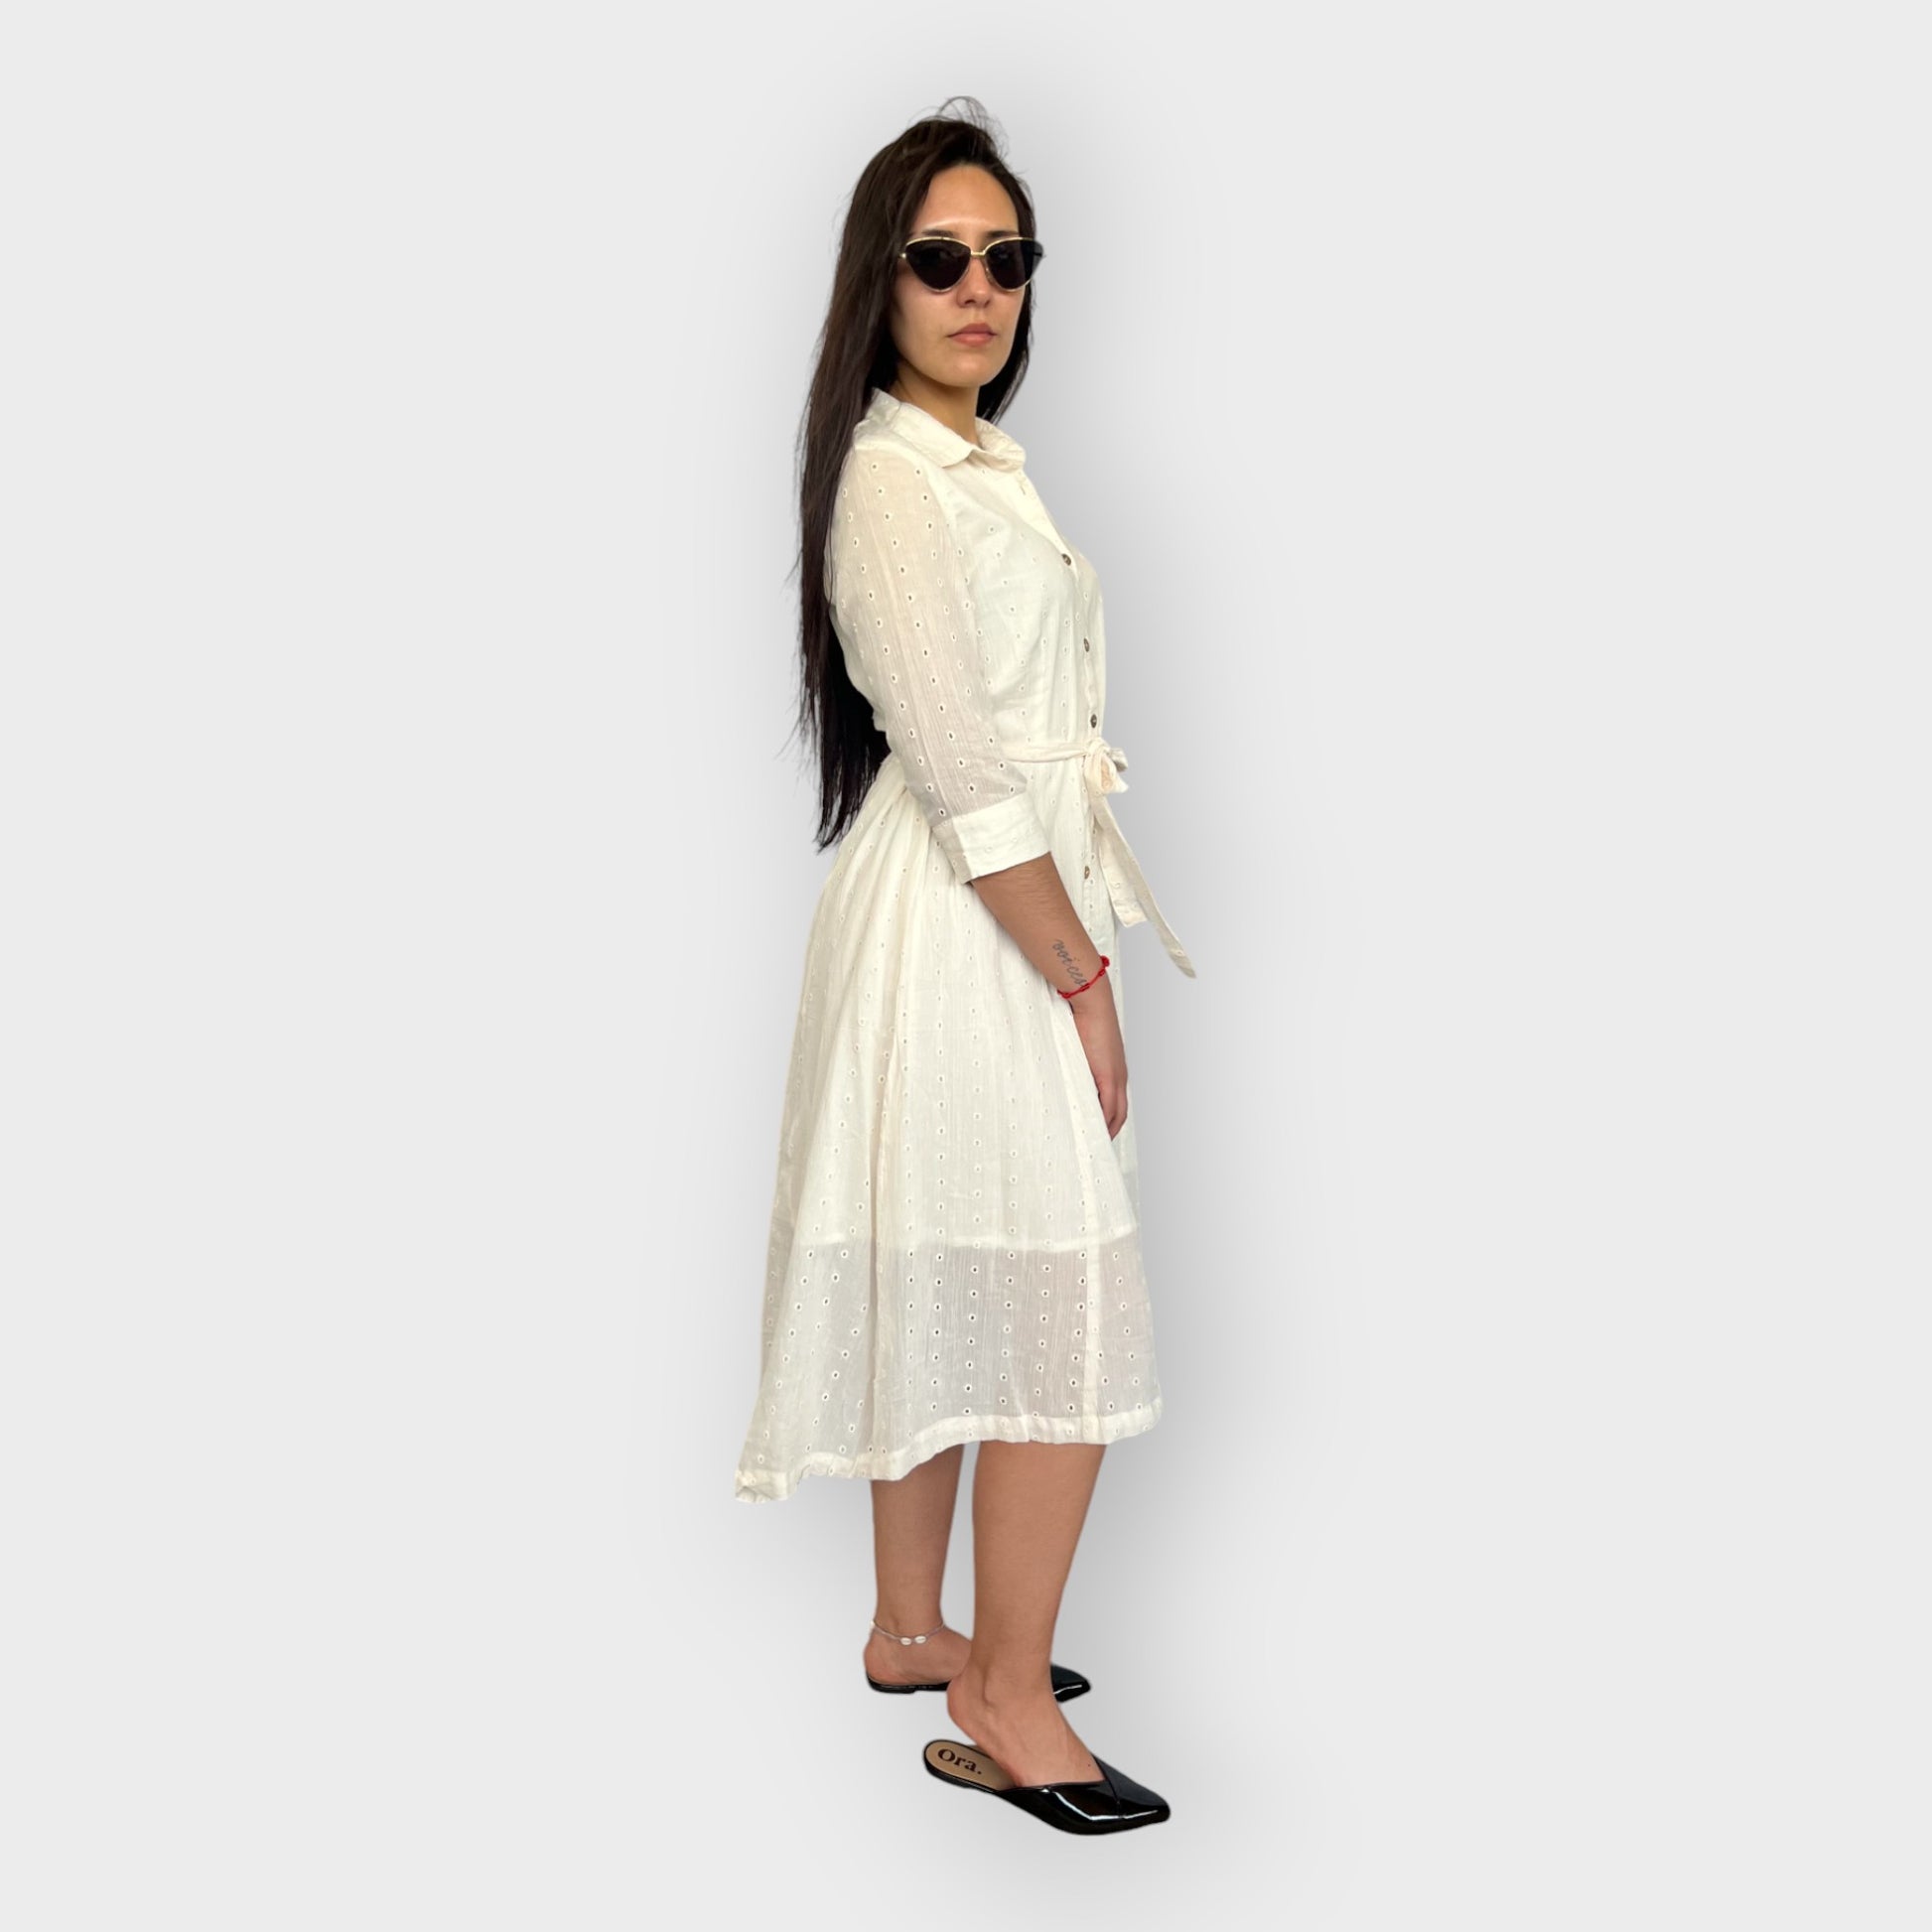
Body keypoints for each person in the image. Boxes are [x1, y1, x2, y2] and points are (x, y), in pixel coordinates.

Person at [731, 100, 1194, 1836]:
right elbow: (963, 767)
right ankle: (1000, 1695)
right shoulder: (889, 479)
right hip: (966, 919)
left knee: (950, 1254)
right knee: (1054, 1295)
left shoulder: (971, 459)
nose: (978, 288)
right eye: (939, 259)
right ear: (882, 280)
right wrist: (1084, 982)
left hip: (979, 906)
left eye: (1006, 258)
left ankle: (913, 1629)